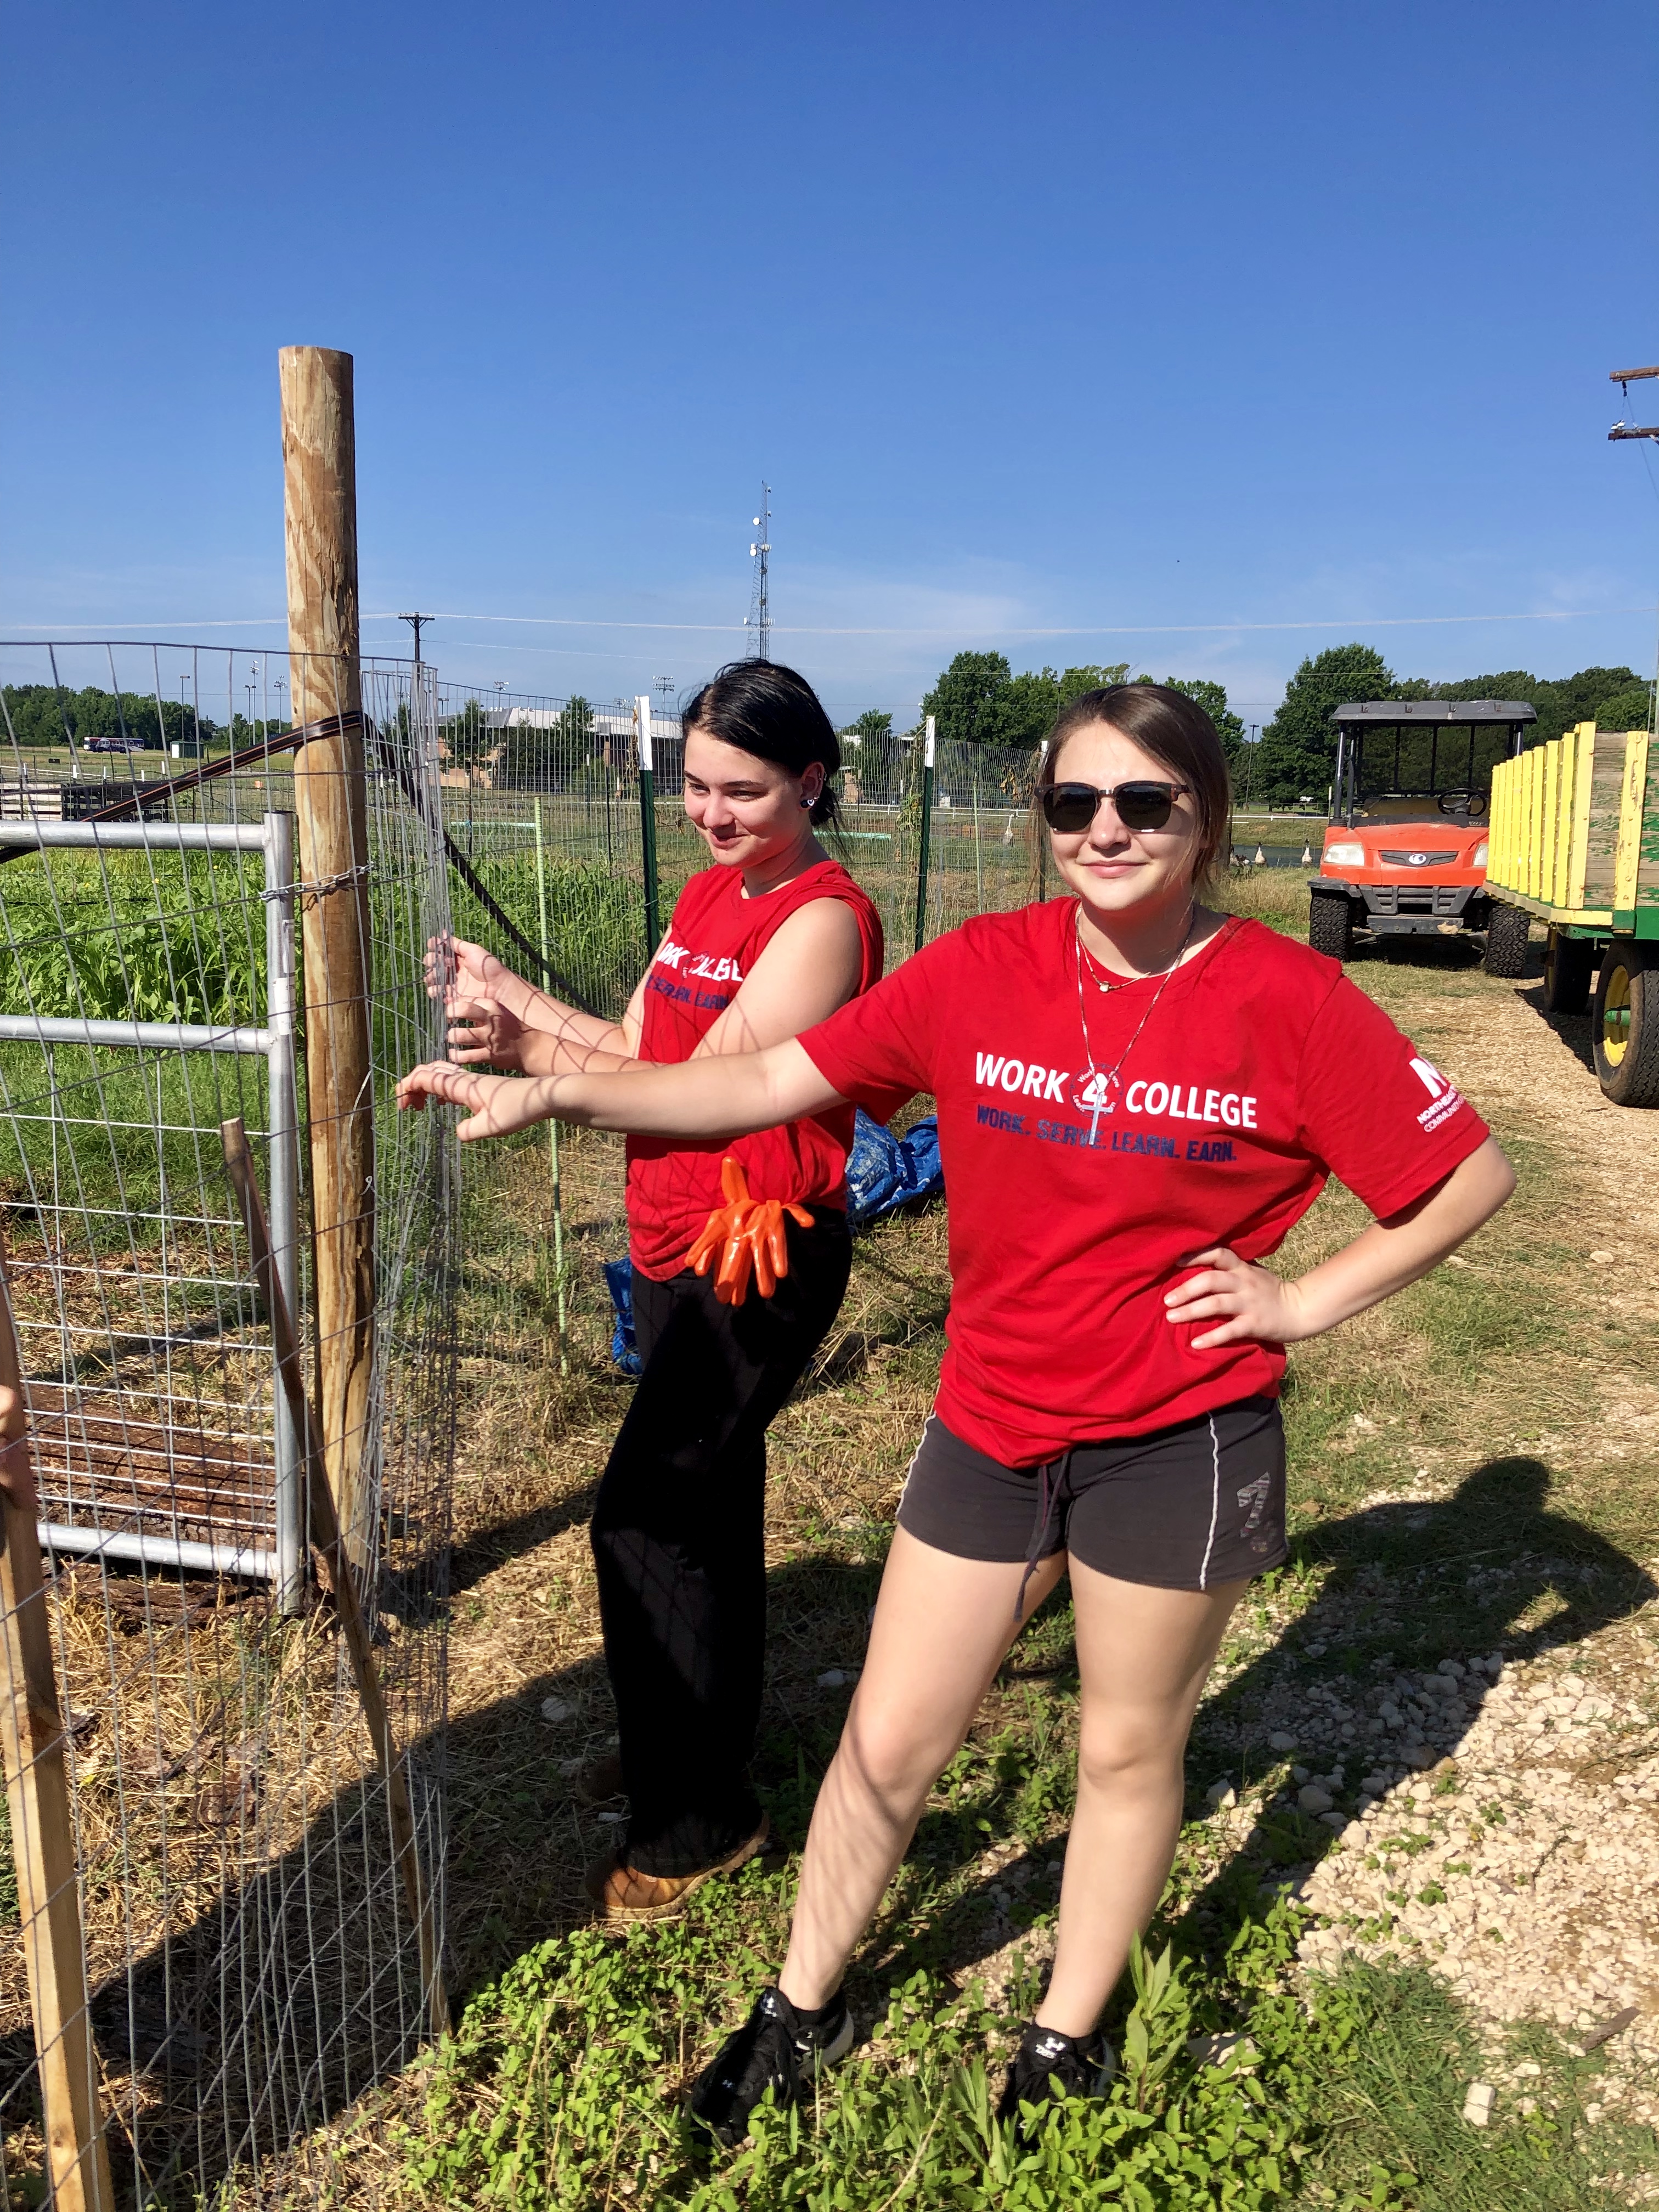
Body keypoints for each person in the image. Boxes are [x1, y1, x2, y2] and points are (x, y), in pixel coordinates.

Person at [399, 682, 1515, 2139]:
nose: (1103, 831)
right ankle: (800, 2006)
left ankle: (1066, 2032)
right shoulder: (982, 969)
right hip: (991, 1420)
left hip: (1179, 1438)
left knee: (1124, 1748)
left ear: (1207, 819)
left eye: (1143, 804)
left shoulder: (1286, 997)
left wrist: (1299, 1303)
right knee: (885, 1738)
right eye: (1073, 803)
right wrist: (557, 1093)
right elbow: (763, 1079)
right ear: (1043, 817)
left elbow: (1466, 1177)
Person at [430, 661, 883, 1925]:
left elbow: (712, 1085)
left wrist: (544, 1072)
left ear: (813, 782)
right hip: (681, 1242)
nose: (712, 813)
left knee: (640, 1515)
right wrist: (515, 1007)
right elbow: (639, 1049)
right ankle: (682, 1748)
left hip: (763, 1249)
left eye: (743, 789)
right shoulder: (705, 896)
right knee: (707, 1501)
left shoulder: (821, 921)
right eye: (694, 785)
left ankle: (698, 1820)